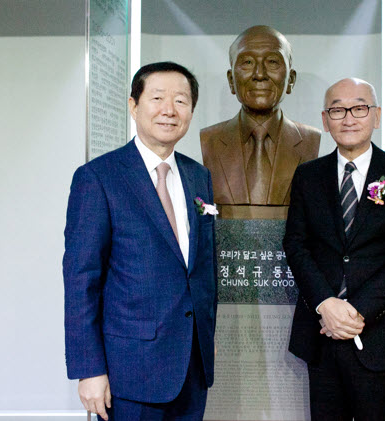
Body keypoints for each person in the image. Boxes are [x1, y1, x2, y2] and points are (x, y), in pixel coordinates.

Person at [63, 62, 217, 421]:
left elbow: (201, 269)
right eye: (157, 98)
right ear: (133, 106)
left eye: (181, 101)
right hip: (128, 374)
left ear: (191, 111)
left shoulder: (199, 177)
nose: (169, 110)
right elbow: (80, 280)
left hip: (192, 367)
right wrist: (90, 369)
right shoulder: (98, 178)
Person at [284, 78, 385, 420]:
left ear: (375, 116)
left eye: (359, 108)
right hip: (322, 331)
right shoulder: (308, 176)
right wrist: (326, 304)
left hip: (380, 331)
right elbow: (296, 244)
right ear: (325, 119)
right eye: (337, 109)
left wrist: (355, 311)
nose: (348, 118)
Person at [200, 25, 321, 220]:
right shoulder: (210, 140)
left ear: (291, 79)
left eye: (272, 62)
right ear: (231, 80)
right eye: (247, 62)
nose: (259, 74)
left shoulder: (309, 140)